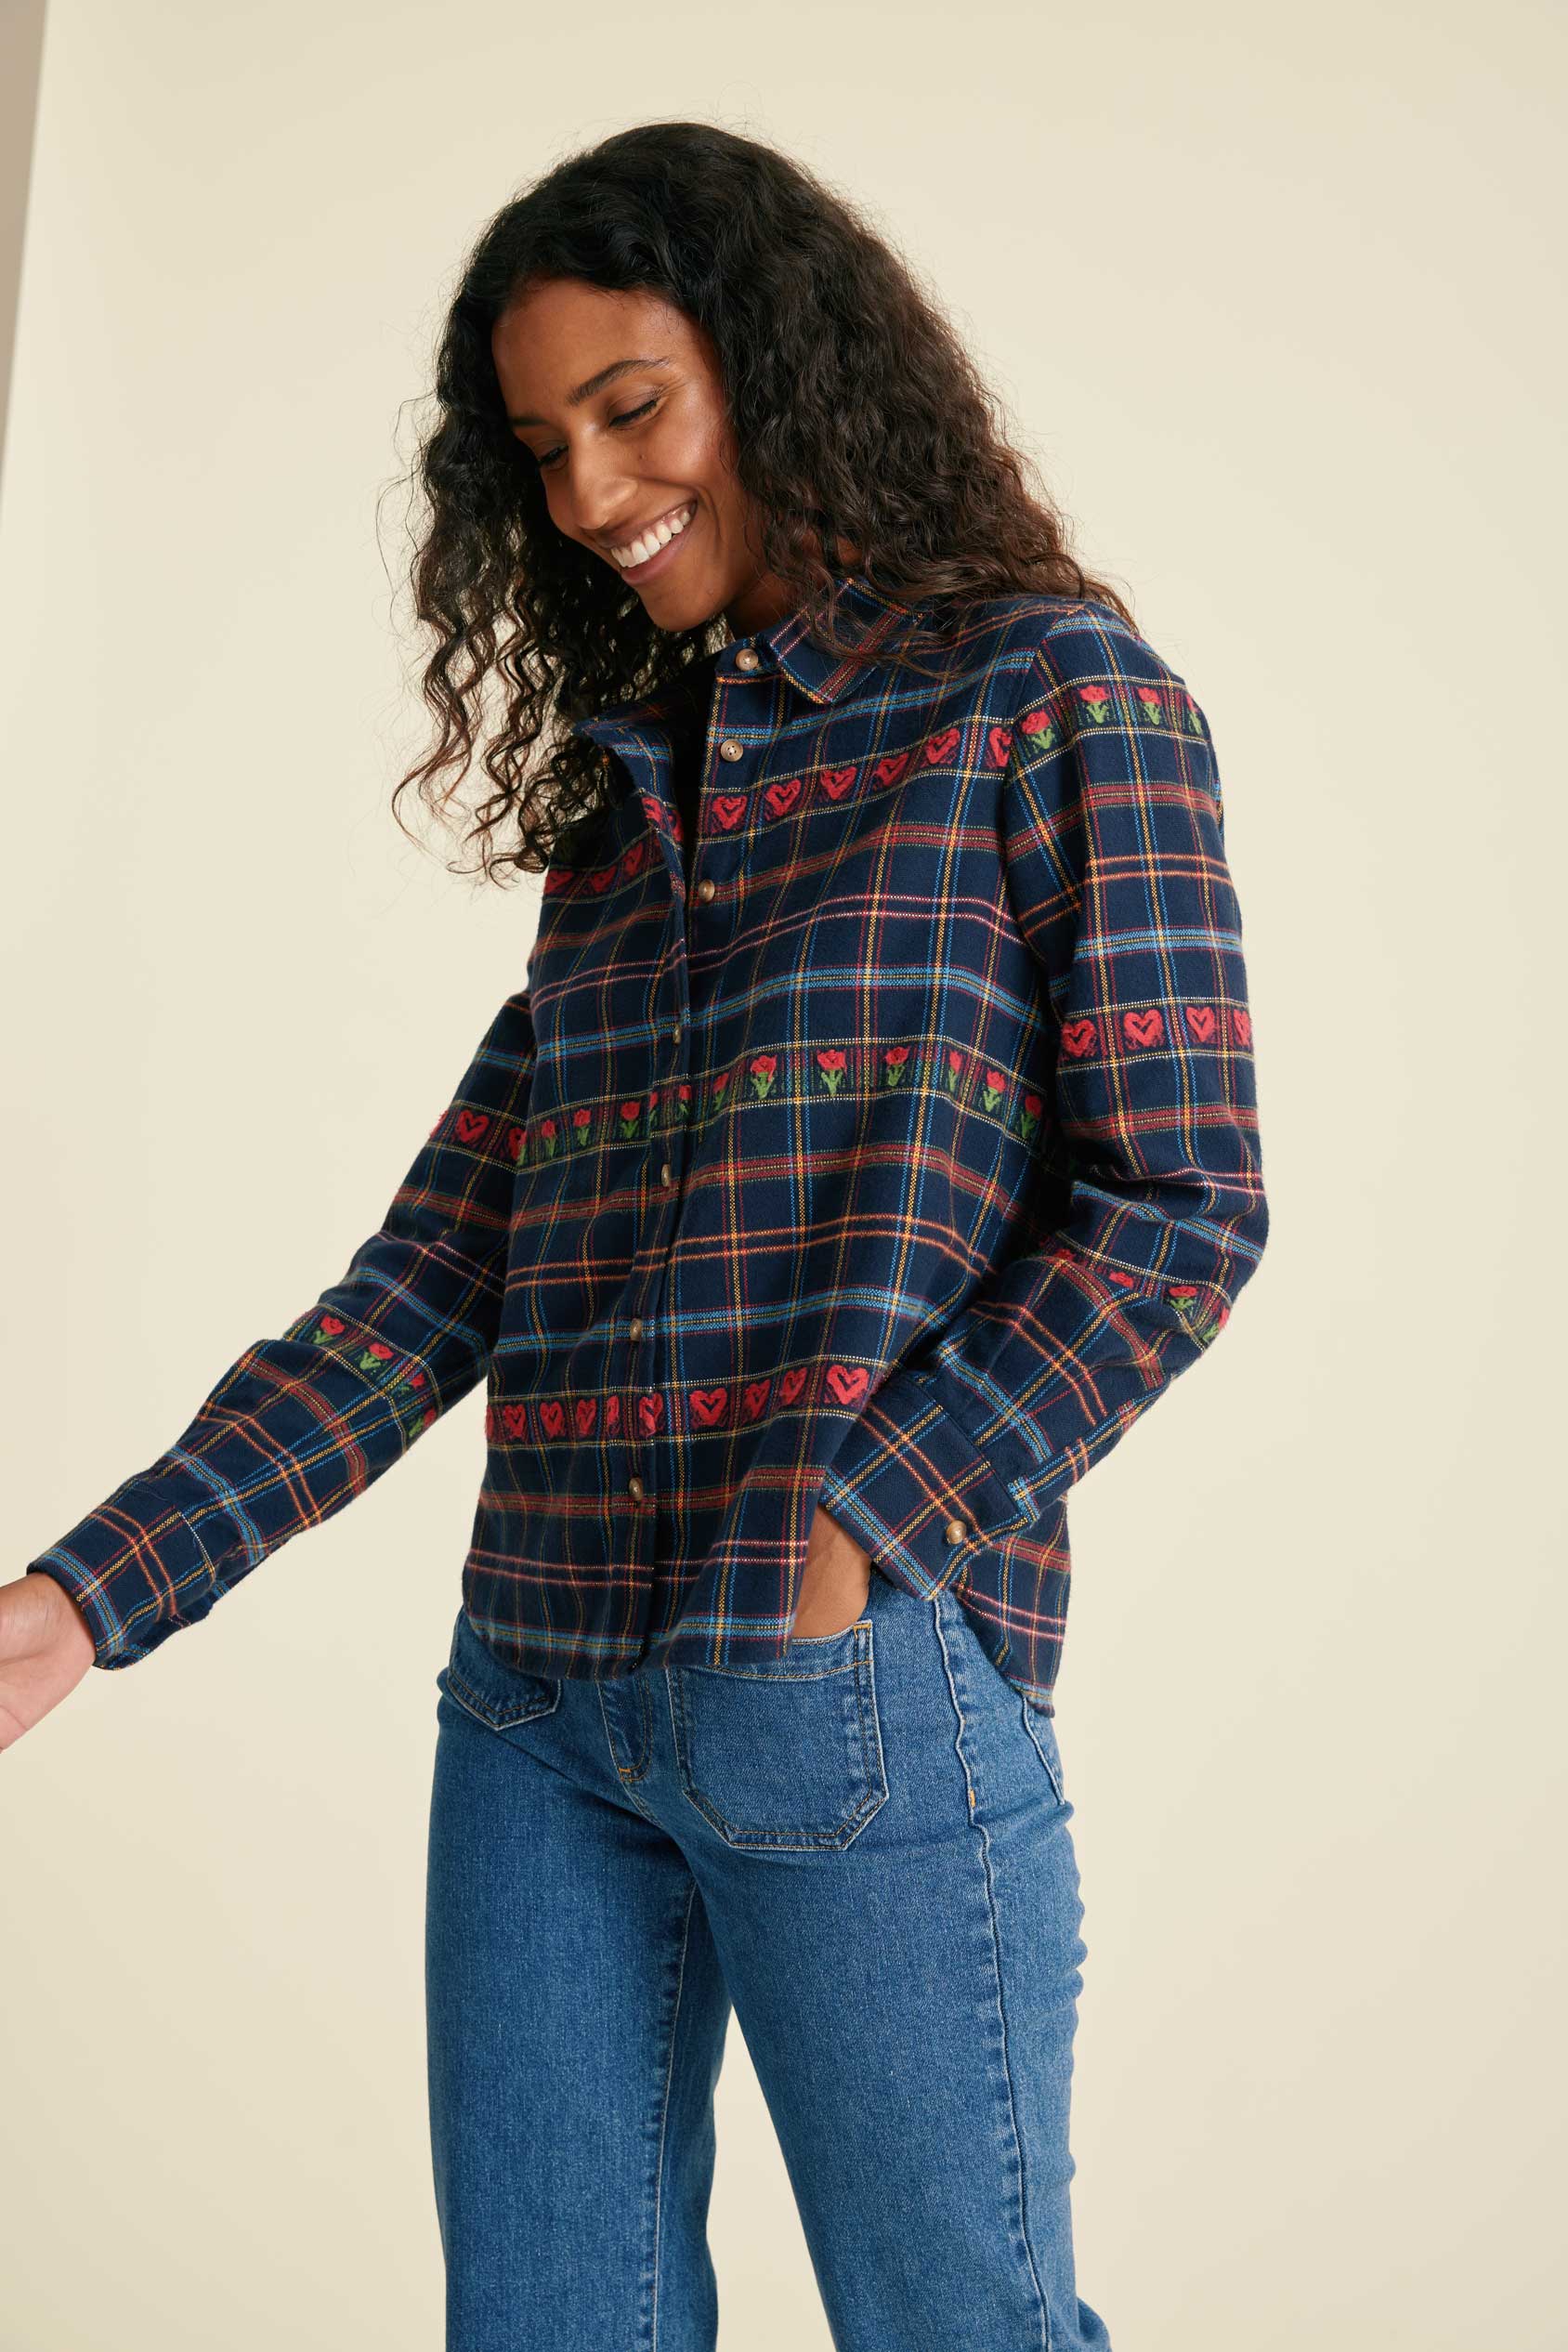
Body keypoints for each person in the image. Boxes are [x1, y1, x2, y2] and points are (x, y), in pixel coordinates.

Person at [5, 121, 1269, 2351]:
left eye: (631, 408)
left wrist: (866, 1513)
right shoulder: (636, 816)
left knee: (956, 2327)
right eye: (539, 446)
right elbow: (427, 1289)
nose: (588, 496)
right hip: (534, 1707)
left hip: (836, 1687)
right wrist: (88, 1594)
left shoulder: (1049, 698)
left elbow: (1182, 1204)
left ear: (771, 362)